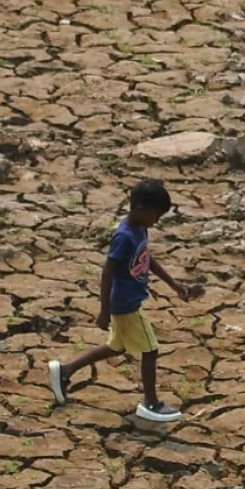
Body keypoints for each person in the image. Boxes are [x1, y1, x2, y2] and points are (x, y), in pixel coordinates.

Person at [47, 178, 193, 424]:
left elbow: (146, 258)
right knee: (151, 350)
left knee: (115, 347)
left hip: (129, 301)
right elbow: (108, 272)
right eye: (156, 215)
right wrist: (104, 310)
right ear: (140, 210)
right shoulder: (124, 236)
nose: (156, 221)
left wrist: (172, 283)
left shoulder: (140, 229)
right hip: (126, 305)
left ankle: (66, 370)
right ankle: (151, 402)